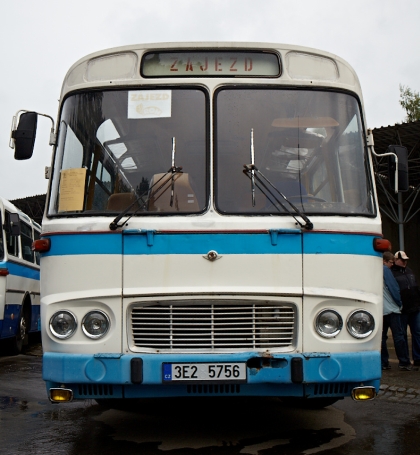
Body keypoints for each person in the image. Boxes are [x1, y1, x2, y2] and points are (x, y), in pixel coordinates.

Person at [381, 252, 412, 370]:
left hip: (381, 310)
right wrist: (399, 303)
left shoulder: (373, 270)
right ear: (384, 261)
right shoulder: (385, 270)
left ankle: (384, 363)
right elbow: (393, 287)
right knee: (399, 336)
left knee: (382, 338)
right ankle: (404, 362)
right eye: (391, 262)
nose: (392, 265)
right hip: (392, 309)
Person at [391, 251, 420, 367]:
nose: (404, 262)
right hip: (402, 309)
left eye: (405, 260)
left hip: (415, 307)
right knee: (401, 335)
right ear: (396, 260)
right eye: (402, 260)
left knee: (417, 333)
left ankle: (417, 358)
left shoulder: (409, 271)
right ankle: (405, 360)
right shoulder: (392, 273)